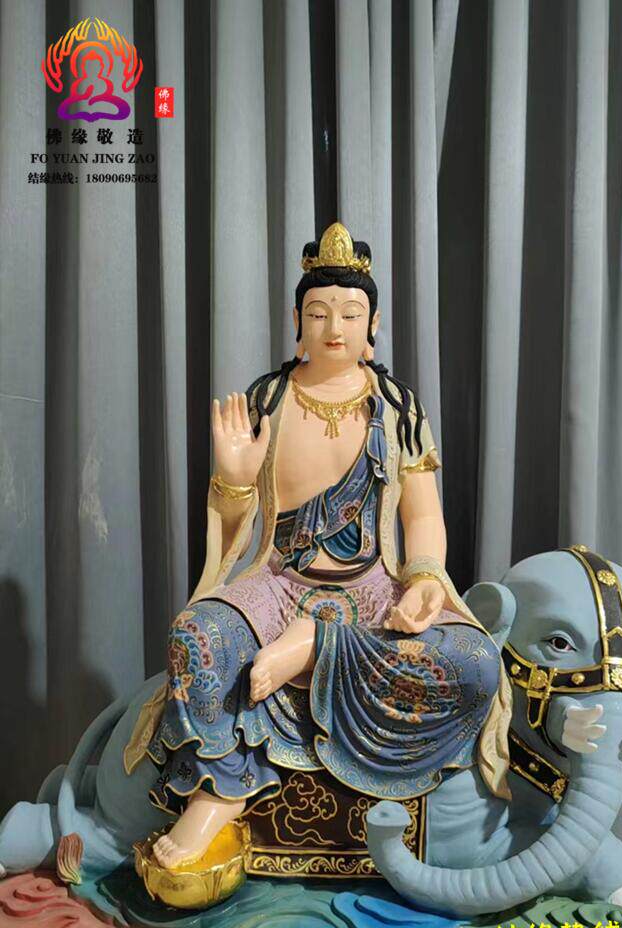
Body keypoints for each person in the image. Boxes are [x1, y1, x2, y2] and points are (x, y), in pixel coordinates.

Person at [129, 222, 511, 869]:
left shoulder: (397, 409)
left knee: (476, 661)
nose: (335, 328)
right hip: (278, 585)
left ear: (374, 323)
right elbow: (236, 526)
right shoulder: (269, 400)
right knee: (195, 635)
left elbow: (423, 514)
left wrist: (424, 576)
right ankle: (220, 789)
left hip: (371, 590)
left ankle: (313, 648)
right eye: (318, 313)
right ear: (296, 322)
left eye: (351, 314)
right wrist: (234, 480)